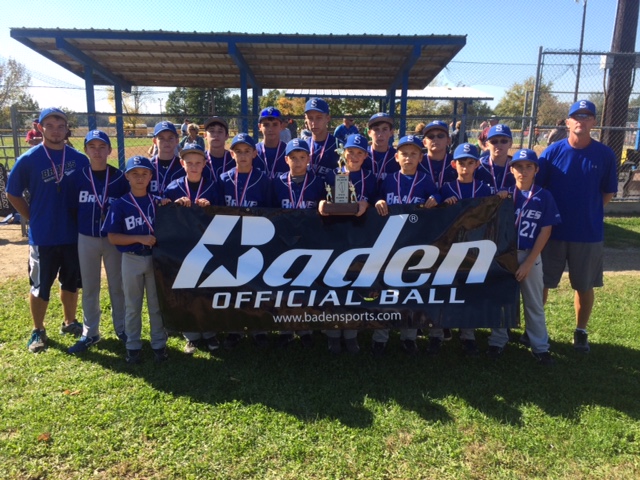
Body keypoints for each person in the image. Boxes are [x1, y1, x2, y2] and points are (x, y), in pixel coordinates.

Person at [7, 107, 89, 353]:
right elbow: (12, 192)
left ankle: (69, 322)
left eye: (60, 126)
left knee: (71, 282)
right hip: (43, 236)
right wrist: (32, 217)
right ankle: (38, 330)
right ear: (40, 128)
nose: (56, 131)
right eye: (50, 126)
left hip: (73, 234)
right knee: (41, 285)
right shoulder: (29, 159)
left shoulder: (78, 158)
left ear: (66, 130)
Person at [538, 100, 618, 353]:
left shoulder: (605, 154)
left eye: (587, 117)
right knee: (542, 283)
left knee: (583, 285)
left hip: (587, 233)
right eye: (576, 117)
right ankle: (537, 330)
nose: (581, 121)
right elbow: (539, 190)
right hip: (552, 232)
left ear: (593, 122)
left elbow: (607, 194)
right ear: (568, 122)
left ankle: (580, 331)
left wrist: (586, 212)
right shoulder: (552, 153)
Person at [487, 149, 561, 365]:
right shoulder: (504, 195)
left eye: (529, 166)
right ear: (511, 169)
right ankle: (497, 341)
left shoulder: (544, 196)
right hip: (504, 256)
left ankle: (540, 347)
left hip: (530, 255)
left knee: (534, 303)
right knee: (501, 300)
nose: (523, 171)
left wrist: (529, 262)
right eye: (519, 166)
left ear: (536, 169)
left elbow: (545, 231)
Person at [428, 143, 497, 357]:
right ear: (453, 164)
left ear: (478, 163)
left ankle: (468, 336)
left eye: (470, 163)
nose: (465, 167)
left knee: (469, 292)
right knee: (442, 291)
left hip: (474, 249)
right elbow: (434, 212)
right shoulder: (446, 188)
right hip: (448, 249)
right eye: (461, 163)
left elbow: (494, 213)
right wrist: (442, 205)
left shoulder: (484, 189)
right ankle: (436, 335)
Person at [374, 135, 439, 356]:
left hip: (415, 245)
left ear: (421, 157)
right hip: (390, 245)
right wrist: (379, 201)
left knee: (412, 292)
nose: (408, 158)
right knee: (387, 291)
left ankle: (408, 336)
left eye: (413, 154)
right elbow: (378, 197)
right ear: (396, 157)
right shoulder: (389, 179)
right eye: (404, 153)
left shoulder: (426, 180)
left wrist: (435, 198)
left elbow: (437, 196)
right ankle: (380, 336)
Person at [102, 156, 170, 364]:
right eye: (135, 174)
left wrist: (171, 205)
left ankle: (159, 344)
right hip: (131, 258)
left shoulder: (159, 202)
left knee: (156, 304)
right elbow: (113, 236)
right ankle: (133, 345)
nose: (140, 178)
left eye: (144, 174)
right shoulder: (121, 204)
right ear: (127, 177)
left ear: (151, 176)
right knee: (132, 305)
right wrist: (139, 238)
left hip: (155, 259)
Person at [67, 130, 130, 354]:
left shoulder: (120, 177)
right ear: (85, 150)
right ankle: (90, 332)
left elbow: (126, 207)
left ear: (110, 150)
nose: (97, 151)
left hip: (112, 239)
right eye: (92, 147)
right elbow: (72, 208)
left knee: (117, 286)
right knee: (90, 287)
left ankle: (122, 329)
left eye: (102, 147)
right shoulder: (78, 176)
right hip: (86, 237)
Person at [318, 133, 376, 355]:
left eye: (359, 153)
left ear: (365, 156)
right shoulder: (334, 174)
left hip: (361, 238)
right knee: (333, 286)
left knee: (354, 286)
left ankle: (351, 334)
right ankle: (333, 335)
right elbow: (319, 199)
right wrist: (322, 203)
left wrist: (368, 202)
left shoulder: (371, 177)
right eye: (350, 152)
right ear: (344, 153)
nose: (354, 156)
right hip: (334, 237)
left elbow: (380, 199)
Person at [164, 144, 221, 355]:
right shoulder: (173, 187)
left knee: (207, 290)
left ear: (205, 164)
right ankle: (191, 336)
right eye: (189, 163)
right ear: (182, 164)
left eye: (198, 163)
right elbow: (165, 218)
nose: (194, 167)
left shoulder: (213, 187)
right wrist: (174, 207)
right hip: (184, 249)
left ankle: (210, 332)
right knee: (186, 290)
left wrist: (211, 207)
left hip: (208, 247)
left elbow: (224, 214)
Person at [219, 133, 272, 349]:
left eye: (247, 151)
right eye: (238, 151)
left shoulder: (263, 179)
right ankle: (235, 329)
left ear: (255, 153)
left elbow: (271, 210)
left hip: (256, 242)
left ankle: (259, 328)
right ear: (232, 154)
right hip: (231, 242)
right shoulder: (223, 179)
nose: (242, 155)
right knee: (233, 288)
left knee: (256, 286)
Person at [272, 138, 326, 349]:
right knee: (284, 287)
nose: (297, 162)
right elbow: (269, 210)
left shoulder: (318, 182)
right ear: (286, 159)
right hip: (283, 243)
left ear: (308, 159)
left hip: (308, 243)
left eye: (302, 157)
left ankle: (305, 328)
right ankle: (286, 329)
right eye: (293, 158)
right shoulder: (277, 181)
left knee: (305, 287)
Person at [304, 98, 340, 181]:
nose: (314, 123)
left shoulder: (339, 147)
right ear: (305, 119)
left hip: (332, 193)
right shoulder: (304, 146)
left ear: (327, 118)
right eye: (310, 118)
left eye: (319, 117)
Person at [476, 124, 515, 195]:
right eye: (494, 141)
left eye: (503, 141)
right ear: (487, 144)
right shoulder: (478, 165)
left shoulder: (517, 167)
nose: (499, 144)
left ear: (510, 143)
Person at [149, 121, 185, 197]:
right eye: (161, 138)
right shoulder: (147, 166)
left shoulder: (184, 166)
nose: (166, 142)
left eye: (170, 138)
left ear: (177, 141)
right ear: (155, 141)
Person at [420, 120, 458, 190]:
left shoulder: (457, 163)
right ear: (424, 142)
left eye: (440, 135)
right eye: (430, 136)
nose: (435, 139)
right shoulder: (417, 162)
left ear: (448, 140)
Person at [364, 113, 399, 183]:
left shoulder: (397, 157)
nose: (380, 134)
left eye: (384, 129)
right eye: (376, 129)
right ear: (369, 133)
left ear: (391, 132)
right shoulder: (362, 155)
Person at [255, 107, 289, 179]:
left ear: (281, 126)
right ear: (259, 127)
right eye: (266, 125)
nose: (271, 129)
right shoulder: (253, 151)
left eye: (275, 124)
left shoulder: (288, 151)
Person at [203, 116, 233, 181]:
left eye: (220, 131)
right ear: (205, 135)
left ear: (227, 136)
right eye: (212, 131)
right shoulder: (199, 160)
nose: (216, 134)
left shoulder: (234, 159)